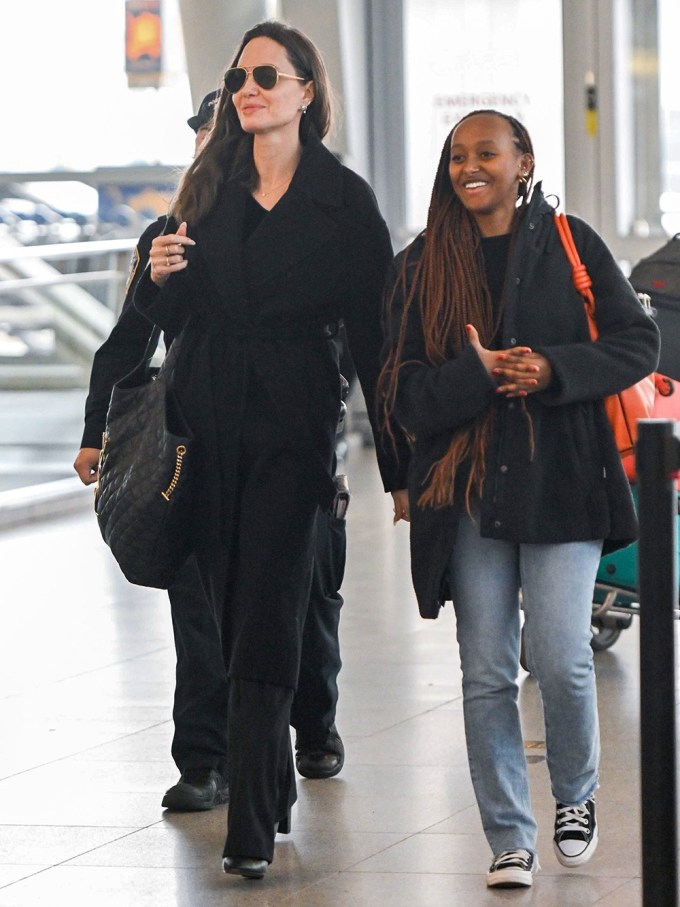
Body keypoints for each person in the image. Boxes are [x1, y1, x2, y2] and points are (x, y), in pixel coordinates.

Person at [133, 21, 408, 879]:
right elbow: (165, 321)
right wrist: (160, 277)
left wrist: (399, 469)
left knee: (269, 610)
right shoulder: (207, 187)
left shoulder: (343, 200)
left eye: (265, 75)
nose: (247, 89)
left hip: (293, 427)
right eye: (238, 76)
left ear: (304, 92)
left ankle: (250, 825)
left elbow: (375, 341)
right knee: (222, 604)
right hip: (207, 424)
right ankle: (269, 783)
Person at [379, 109, 659, 890]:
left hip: (562, 480)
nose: (470, 167)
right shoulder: (420, 264)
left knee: (564, 655)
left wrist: (552, 371)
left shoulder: (571, 243)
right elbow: (399, 389)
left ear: (523, 161)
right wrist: (478, 374)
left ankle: (575, 795)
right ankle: (509, 833)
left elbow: (638, 344)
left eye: (487, 153)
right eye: (457, 155)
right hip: (468, 493)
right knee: (485, 669)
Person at [73, 86, 348, 818]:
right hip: (195, 447)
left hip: (291, 443)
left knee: (305, 601)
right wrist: (95, 430)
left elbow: (348, 340)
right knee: (197, 606)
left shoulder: (317, 223)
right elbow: (130, 339)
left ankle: (315, 722)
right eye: (207, 134)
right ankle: (203, 758)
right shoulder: (168, 234)